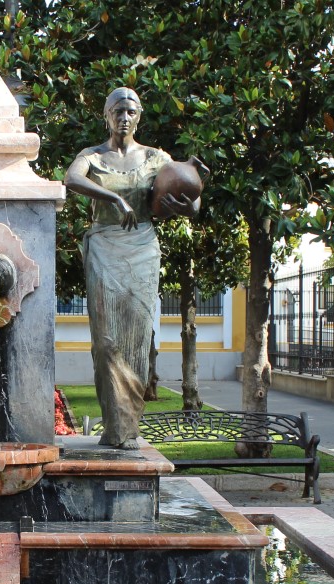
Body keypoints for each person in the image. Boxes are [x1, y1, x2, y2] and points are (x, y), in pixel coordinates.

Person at [64, 87, 199, 450]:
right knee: (107, 342)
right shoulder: (92, 156)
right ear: (106, 117)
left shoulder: (156, 157)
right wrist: (114, 197)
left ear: (139, 117)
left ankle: (128, 431)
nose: (124, 117)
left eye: (130, 111)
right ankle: (114, 426)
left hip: (142, 248)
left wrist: (188, 207)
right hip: (104, 247)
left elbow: (192, 198)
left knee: (137, 338)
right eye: (117, 111)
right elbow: (71, 179)